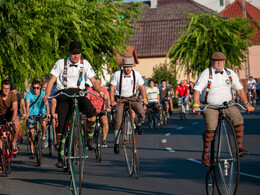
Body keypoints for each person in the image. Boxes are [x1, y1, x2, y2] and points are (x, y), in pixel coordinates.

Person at [43, 41, 104, 168]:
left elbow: (93, 81)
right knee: (61, 125)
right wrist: (47, 95)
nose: (76, 56)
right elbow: (52, 80)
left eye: (78, 53)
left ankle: (89, 139)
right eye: (73, 53)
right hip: (64, 94)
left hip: (79, 93)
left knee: (92, 112)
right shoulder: (61, 63)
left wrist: (102, 92)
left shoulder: (85, 64)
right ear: (69, 53)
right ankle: (60, 157)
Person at [193, 52, 255, 166]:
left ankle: (239, 146)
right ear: (212, 61)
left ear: (224, 61)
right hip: (210, 106)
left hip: (227, 104)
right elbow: (197, 90)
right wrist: (196, 105)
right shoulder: (206, 73)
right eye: (216, 60)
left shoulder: (230, 73)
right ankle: (205, 152)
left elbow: (240, 90)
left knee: (238, 118)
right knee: (211, 126)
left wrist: (247, 104)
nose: (219, 62)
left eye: (221, 60)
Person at [110, 57, 148, 154]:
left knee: (142, 112)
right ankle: (116, 143)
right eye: (126, 67)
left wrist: (144, 99)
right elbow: (112, 88)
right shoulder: (117, 74)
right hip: (121, 99)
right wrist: (112, 101)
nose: (128, 69)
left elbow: (142, 87)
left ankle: (138, 124)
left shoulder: (137, 74)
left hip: (132, 98)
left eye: (130, 67)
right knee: (118, 121)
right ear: (123, 67)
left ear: (132, 67)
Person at [25, 80, 50, 159]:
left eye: (37, 88)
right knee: (31, 133)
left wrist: (48, 113)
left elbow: (46, 104)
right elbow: (27, 105)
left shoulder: (43, 94)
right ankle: (32, 151)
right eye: (34, 88)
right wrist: (27, 114)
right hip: (32, 113)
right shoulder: (29, 94)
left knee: (43, 123)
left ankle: (43, 137)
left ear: (40, 87)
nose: (35, 89)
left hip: (41, 113)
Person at [86, 78, 110, 147]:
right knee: (87, 122)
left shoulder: (104, 89)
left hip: (101, 110)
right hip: (92, 110)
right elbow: (87, 98)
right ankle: (89, 138)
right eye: (96, 84)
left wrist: (108, 107)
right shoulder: (90, 89)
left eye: (98, 84)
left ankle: (104, 138)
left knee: (105, 121)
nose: (97, 85)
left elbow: (107, 98)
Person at [0, 80, 20, 155]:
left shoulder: (12, 95)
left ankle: (14, 142)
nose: (6, 90)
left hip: (10, 114)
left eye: (8, 88)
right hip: (0, 115)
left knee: (17, 122)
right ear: (1, 88)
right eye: (4, 88)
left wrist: (13, 120)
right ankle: (3, 159)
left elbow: (15, 109)